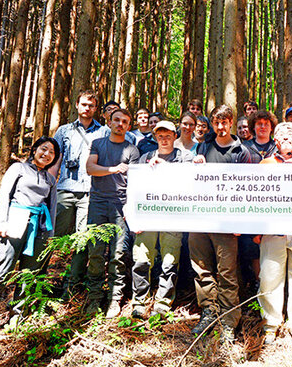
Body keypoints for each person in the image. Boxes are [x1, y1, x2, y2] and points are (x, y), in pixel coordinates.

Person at [0, 137, 60, 334]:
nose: (46, 154)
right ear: (35, 149)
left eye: (52, 152)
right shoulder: (18, 169)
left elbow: (52, 207)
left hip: (39, 228)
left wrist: (51, 235)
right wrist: (0, 222)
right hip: (15, 221)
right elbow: (4, 195)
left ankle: (18, 316)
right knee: (2, 270)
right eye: (43, 149)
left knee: (28, 274)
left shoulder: (50, 179)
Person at [189, 104, 251, 342]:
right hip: (201, 219)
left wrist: (240, 222)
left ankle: (228, 321)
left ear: (231, 122)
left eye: (225, 122)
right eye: (216, 122)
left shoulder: (240, 151)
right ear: (212, 124)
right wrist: (196, 164)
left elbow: (247, 189)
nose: (220, 127)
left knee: (227, 273)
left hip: (227, 222)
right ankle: (208, 312)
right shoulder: (204, 145)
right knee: (202, 270)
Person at [257, 122, 292, 346]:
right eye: (281, 135)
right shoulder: (265, 164)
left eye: (291, 134)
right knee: (270, 278)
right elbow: (256, 198)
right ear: (275, 141)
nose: (287, 137)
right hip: (273, 231)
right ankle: (270, 325)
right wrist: (258, 229)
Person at [132, 121, 194, 319]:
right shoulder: (145, 158)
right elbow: (135, 188)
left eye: (168, 135)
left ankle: (163, 302)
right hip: (148, 216)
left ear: (175, 136)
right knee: (141, 259)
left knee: (169, 261)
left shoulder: (184, 157)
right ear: (155, 137)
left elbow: (191, 181)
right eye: (160, 135)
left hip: (172, 216)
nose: (164, 139)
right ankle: (139, 301)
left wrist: (165, 168)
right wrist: (135, 216)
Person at [50, 90, 108, 298]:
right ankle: (40, 281)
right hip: (65, 188)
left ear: (96, 108)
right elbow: (55, 159)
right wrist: (49, 186)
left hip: (90, 193)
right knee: (52, 236)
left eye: (91, 105)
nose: (87, 108)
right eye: (84, 104)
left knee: (82, 240)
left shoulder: (103, 132)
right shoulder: (64, 131)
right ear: (77, 105)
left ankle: (72, 285)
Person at [85, 109, 140, 318]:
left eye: (125, 121)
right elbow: (90, 168)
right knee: (96, 252)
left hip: (121, 205)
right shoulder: (98, 144)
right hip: (98, 202)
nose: (120, 124)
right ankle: (94, 296)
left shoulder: (132, 150)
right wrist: (113, 169)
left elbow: (135, 182)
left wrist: (131, 208)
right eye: (116, 120)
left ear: (128, 126)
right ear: (109, 122)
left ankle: (114, 299)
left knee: (118, 254)